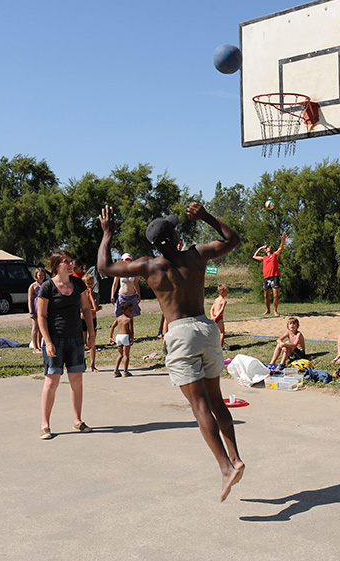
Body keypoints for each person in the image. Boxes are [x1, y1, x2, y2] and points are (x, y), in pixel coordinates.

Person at [98, 201, 244, 501]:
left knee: (199, 406)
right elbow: (233, 240)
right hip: (206, 329)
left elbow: (104, 267)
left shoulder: (149, 266)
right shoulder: (196, 255)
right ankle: (235, 457)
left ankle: (225, 468)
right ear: (175, 238)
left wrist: (107, 234)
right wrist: (206, 217)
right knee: (216, 400)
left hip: (180, 333)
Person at [38, 250, 96, 440]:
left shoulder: (78, 284)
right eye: (66, 261)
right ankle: (45, 425)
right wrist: (48, 342)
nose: (71, 264)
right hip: (55, 339)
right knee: (52, 380)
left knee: (77, 379)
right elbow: (41, 316)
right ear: (56, 266)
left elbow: (86, 308)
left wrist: (91, 334)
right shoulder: (47, 287)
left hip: (76, 338)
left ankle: (78, 420)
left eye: (72, 261)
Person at [253, 234, 287, 316]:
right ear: (266, 250)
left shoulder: (274, 255)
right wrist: (260, 248)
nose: (269, 247)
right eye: (268, 247)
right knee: (266, 295)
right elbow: (254, 256)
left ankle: (275, 311)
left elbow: (281, 248)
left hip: (274, 277)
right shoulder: (264, 258)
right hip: (266, 278)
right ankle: (268, 310)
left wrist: (283, 240)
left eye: (271, 247)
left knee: (275, 295)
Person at [110, 301, 134, 378]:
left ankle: (116, 370)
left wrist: (111, 337)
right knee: (126, 355)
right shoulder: (129, 319)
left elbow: (112, 327)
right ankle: (125, 371)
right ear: (124, 310)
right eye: (130, 310)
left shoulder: (119, 318)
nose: (131, 312)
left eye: (132, 310)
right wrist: (132, 338)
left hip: (118, 337)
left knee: (120, 354)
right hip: (125, 336)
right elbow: (131, 330)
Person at [82, 272, 101, 372]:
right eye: (88, 283)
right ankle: (81, 364)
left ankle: (93, 365)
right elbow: (81, 309)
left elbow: (95, 308)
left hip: (92, 319)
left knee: (92, 342)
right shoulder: (81, 295)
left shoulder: (96, 295)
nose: (89, 285)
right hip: (82, 319)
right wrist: (92, 310)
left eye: (91, 283)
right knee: (82, 342)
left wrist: (90, 296)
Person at [27, 268, 47, 354]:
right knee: (35, 328)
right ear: (36, 276)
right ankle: (35, 347)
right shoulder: (33, 286)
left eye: (43, 275)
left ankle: (39, 345)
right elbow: (30, 299)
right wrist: (31, 311)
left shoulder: (45, 285)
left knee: (41, 328)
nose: (41, 277)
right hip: (35, 308)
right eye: (39, 275)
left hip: (43, 309)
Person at [210, 284, 229, 349]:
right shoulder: (224, 301)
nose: (228, 293)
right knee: (222, 332)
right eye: (227, 292)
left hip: (214, 316)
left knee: (214, 332)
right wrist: (216, 317)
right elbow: (221, 310)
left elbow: (212, 309)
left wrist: (212, 316)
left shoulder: (216, 299)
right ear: (222, 292)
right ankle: (220, 346)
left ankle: (213, 345)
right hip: (219, 318)